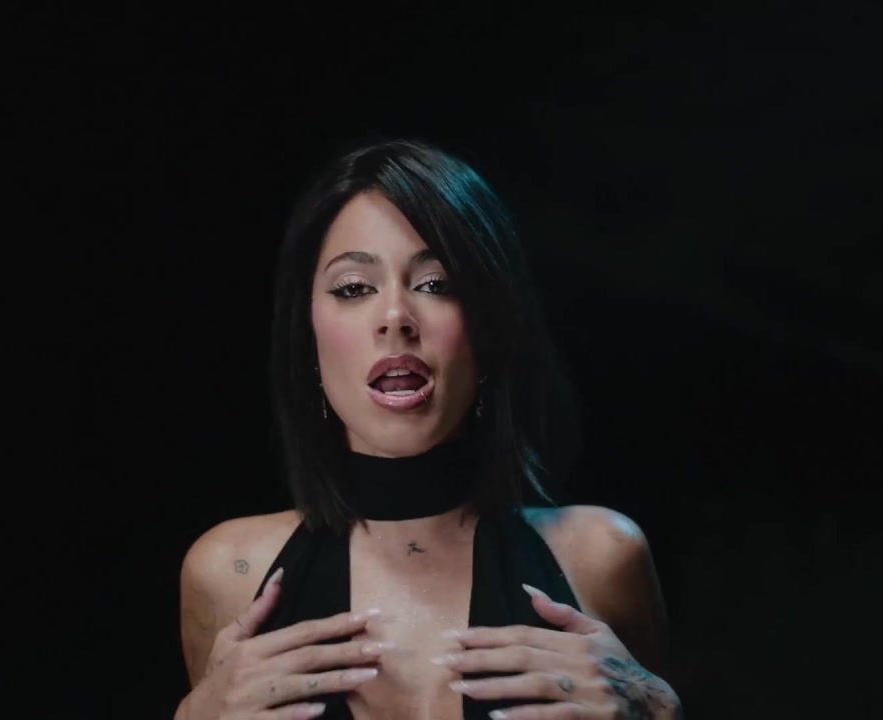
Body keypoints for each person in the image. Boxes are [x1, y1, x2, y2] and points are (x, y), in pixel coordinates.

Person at [174, 139, 682, 719]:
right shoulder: (227, 571)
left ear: (488, 324)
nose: (396, 317)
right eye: (353, 288)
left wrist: (662, 713)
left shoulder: (600, 555)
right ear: (307, 333)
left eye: (437, 284)